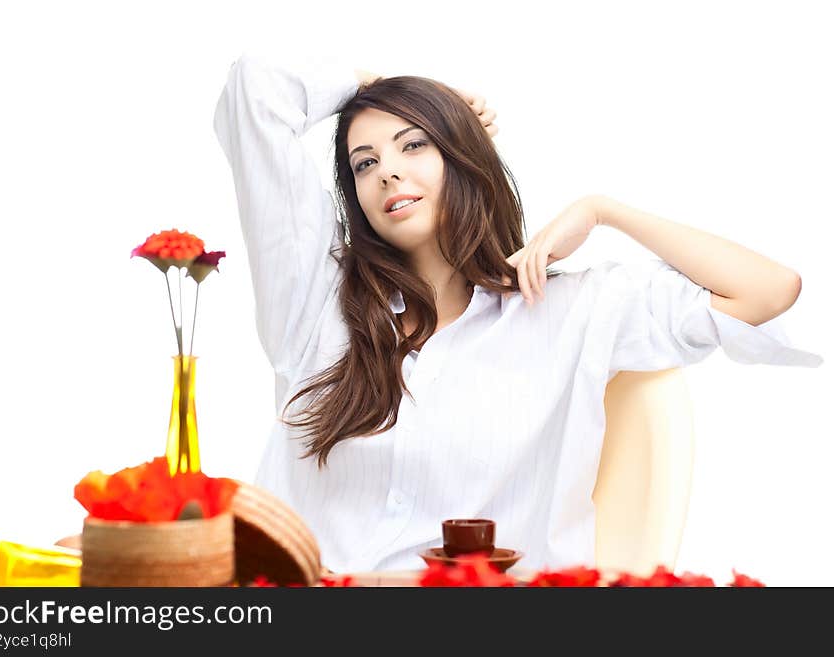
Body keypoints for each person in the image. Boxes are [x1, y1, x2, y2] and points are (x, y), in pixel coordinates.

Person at [212, 52, 823, 575]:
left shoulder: (574, 310)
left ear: (464, 156)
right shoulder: (314, 302)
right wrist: (400, 92)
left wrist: (604, 210)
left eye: (415, 143)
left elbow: (768, 290)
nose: (387, 170)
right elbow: (254, 86)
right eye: (364, 162)